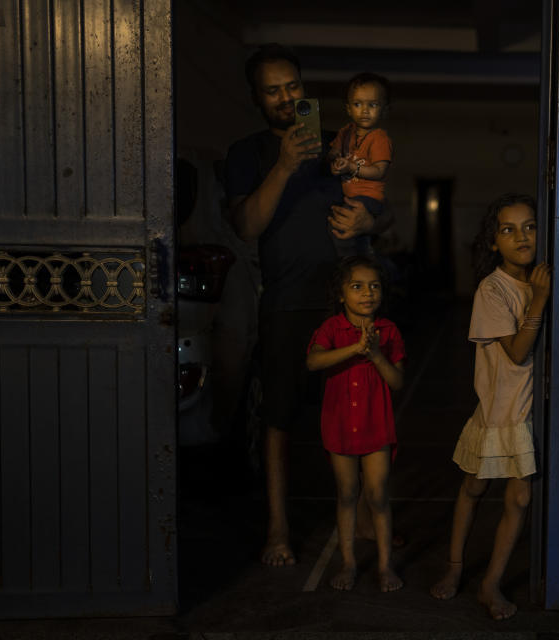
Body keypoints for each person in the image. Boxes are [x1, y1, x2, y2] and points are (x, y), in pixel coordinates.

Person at [225, 44, 392, 567]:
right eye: (272, 90)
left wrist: (368, 223)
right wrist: (282, 167)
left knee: (362, 411)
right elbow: (247, 225)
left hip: (346, 305)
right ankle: (278, 530)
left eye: (291, 86)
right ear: (256, 98)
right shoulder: (247, 154)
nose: (285, 97)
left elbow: (376, 211)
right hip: (286, 304)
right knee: (279, 418)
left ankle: (367, 515)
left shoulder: (338, 144)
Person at [430, 193, 551, 619]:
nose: (521, 236)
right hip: (498, 410)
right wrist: (537, 301)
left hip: (530, 412)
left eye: (530, 226)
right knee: (474, 487)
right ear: (493, 242)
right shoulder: (492, 289)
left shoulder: (542, 277)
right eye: (508, 229)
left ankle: (490, 584)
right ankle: (454, 568)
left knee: (519, 498)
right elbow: (518, 353)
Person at [306, 256, 405, 592]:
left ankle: (384, 565)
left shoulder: (389, 331)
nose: (367, 293)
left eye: (374, 286)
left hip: (375, 424)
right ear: (341, 294)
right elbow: (313, 361)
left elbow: (397, 382)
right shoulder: (332, 329)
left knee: (377, 495)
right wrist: (354, 348)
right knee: (347, 493)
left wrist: (375, 353)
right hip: (339, 423)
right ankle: (348, 563)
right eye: (357, 286)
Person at [327, 73, 394, 256]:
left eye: (372, 105)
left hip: (368, 197)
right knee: (354, 233)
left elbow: (380, 171)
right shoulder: (345, 132)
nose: (364, 110)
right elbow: (334, 152)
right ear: (348, 108)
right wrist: (335, 161)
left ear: (384, 110)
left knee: (344, 231)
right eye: (358, 104)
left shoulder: (379, 138)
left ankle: (353, 262)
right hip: (351, 195)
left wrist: (351, 168)